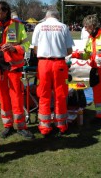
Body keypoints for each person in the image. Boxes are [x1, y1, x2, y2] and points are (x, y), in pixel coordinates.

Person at [0, 1, 35, 140]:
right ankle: (8, 126)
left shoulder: (17, 26)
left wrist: (14, 48)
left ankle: (21, 126)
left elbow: (27, 44)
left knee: (16, 96)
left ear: (5, 12)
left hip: (13, 67)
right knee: (2, 97)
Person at [31, 9, 74, 137]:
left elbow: (35, 49)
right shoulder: (63, 27)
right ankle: (61, 124)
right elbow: (69, 50)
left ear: (46, 16)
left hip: (43, 64)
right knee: (61, 94)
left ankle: (45, 126)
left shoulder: (39, 26)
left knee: (44, 94)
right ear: (57, 17)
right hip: (60, 64)